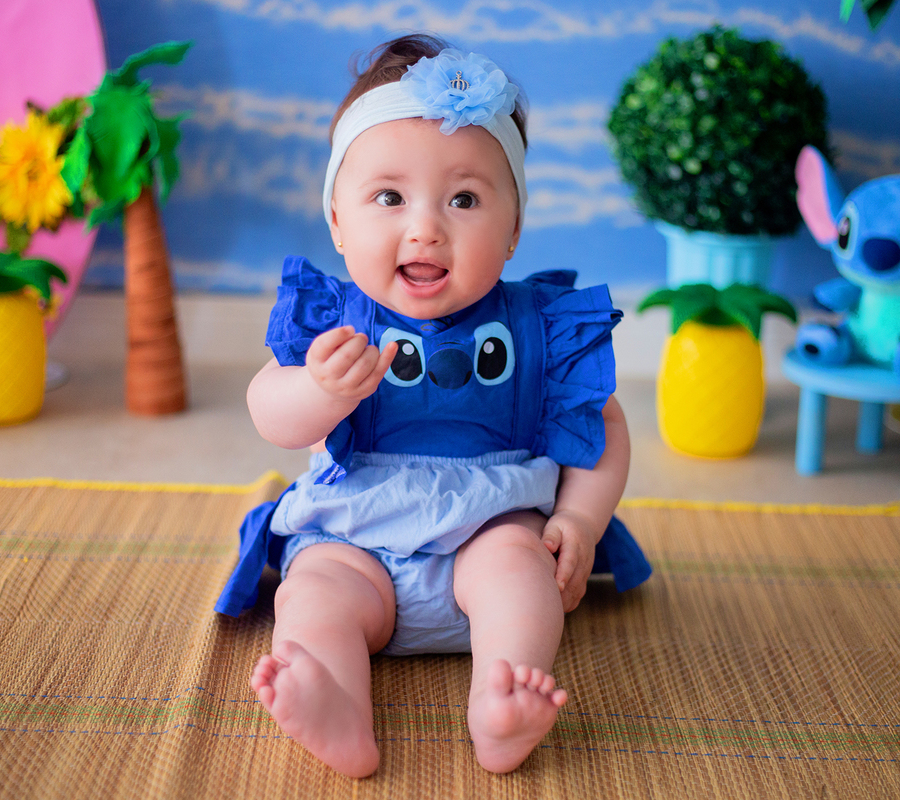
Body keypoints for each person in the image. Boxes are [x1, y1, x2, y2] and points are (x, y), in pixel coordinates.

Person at [214, 33, 651, 777]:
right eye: (389, 197)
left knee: (522, 576)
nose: (426, 227)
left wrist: (579, 517)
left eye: (464, 198)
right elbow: (268, 410)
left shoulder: (538, 331)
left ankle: (501, 697)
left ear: (513, 230)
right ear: (338, 224)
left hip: (488, 536)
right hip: (357, 543)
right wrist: (316, 392)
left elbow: (602, 426)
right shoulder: (334, 324)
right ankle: (338, 707)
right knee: (312, 593)